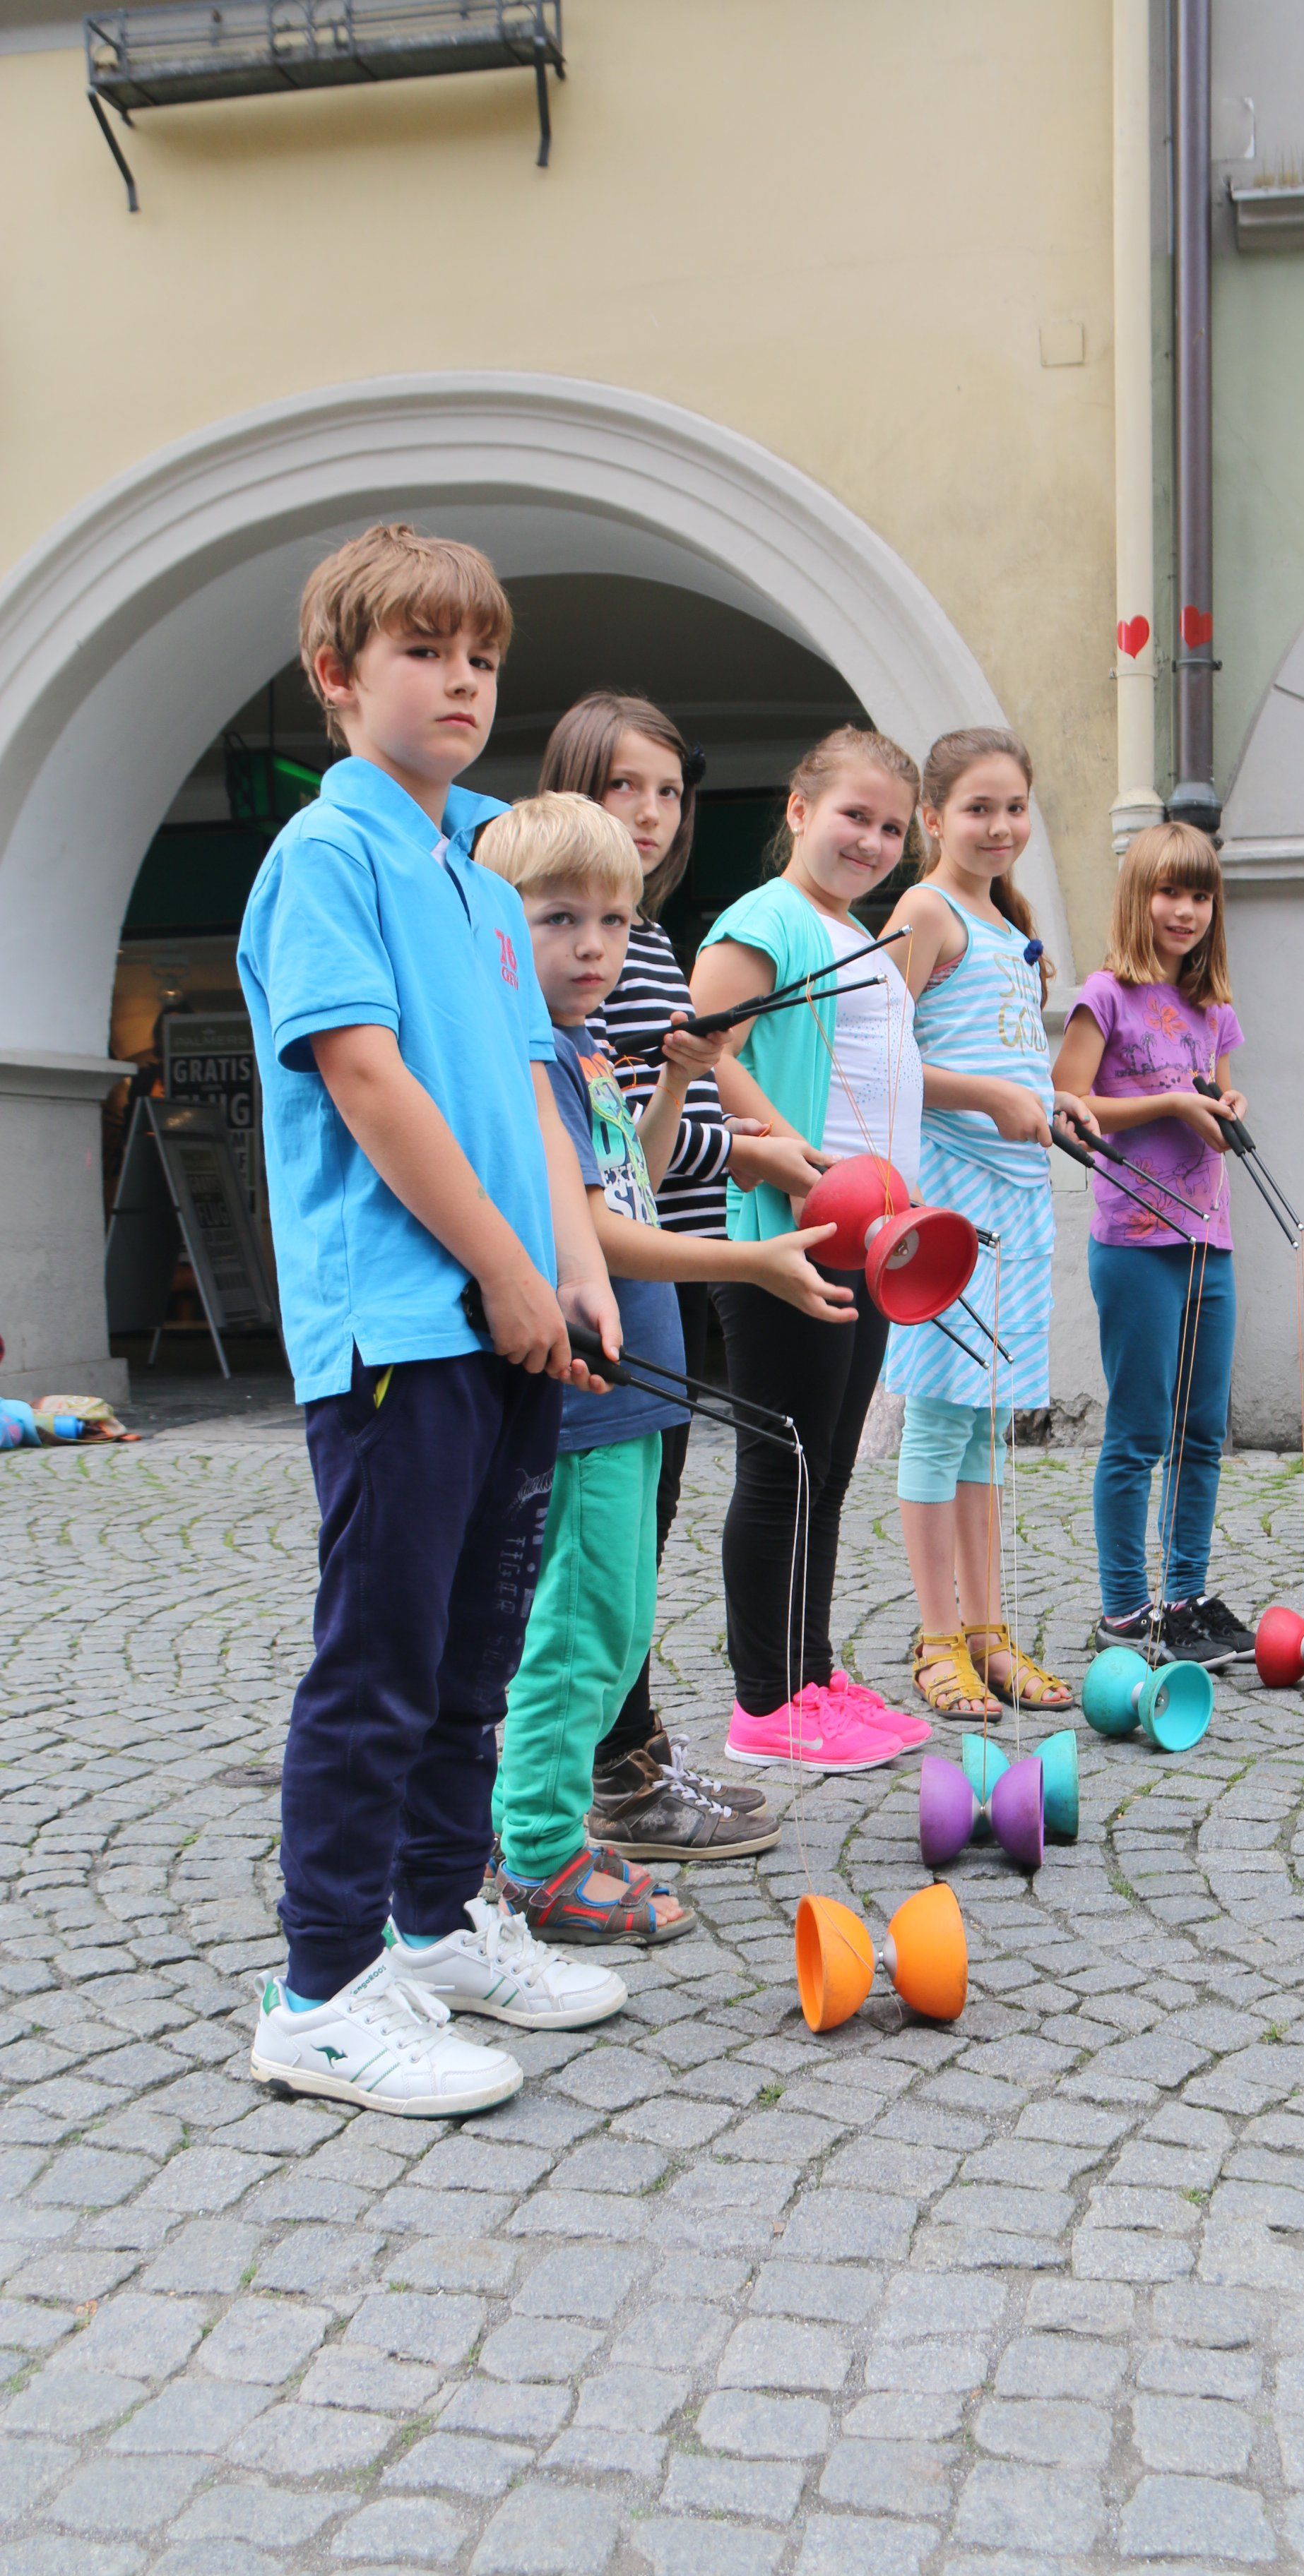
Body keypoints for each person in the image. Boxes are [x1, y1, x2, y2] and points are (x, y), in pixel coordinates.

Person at [237, 525, 629, 2118]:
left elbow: (532, 1084)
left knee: (475, 1654)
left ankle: (434, 1923)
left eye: (481, 656)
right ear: (338, 676)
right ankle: (321, 1991)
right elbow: (368, 1081)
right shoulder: (323, 857)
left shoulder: (478, 871)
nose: (462, 680)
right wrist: (505, 1271)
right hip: (402, 1328)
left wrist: (575, 1266)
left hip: (509, 1318)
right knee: (382, 1663)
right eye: (423, 651)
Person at [480, 792, 856, 1937]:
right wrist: (754, 1262)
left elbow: (632, 1184)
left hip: (637, 1391)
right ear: (498, 930)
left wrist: (682, 1077)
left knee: (617, 1626)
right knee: (580, 1632)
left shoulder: (585, 1053)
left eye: (613, 920)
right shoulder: (526, 1063)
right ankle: (536, 1855)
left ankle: (543, 1832)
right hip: (591, 1399)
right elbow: (593, 1237)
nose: (592, 946)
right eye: (559, 920)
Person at [535, 693, 823, 1857]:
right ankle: (597, 1785)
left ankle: (632, 1760)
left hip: (661, 1258)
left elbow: (638, 1136)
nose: (651, 813)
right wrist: (748, 1151)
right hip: (618, 1273)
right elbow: (591, 1162)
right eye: (624, 787)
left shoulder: (647, 942)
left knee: (634, 1548)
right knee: (599, 1565)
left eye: (668, 790)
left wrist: (694, 1098)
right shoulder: (560, 988)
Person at [688, 727, 935, 1770]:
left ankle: (810, 1674)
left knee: (824, 1469)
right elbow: (705, 1051)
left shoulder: (856, 933)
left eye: (891, 828)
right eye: (853, 817)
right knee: (784, 1464)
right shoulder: (766, 919)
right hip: (789, 1236)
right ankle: (765, 1704)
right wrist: (795, 1161)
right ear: (798, 810)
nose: (872, 842)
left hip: (869, 1236)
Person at [879, 727, 1096, 1717]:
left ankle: (988, 1634)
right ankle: (936, 1640)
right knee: (937, 1425)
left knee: (984, 1435)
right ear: (933, 818)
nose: (1000, 826)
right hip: (949, 1202)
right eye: (977, 808)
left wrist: (1053, 1101)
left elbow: (1005, 1062)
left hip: (1013, 1204)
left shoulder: (1007, 925)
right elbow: (880, 1059)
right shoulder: (924, 910)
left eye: (1014, 808)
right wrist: (993, 1099)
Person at [1052, 820, 1257, 1669]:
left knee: (1201, 1432)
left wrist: (1225, 1112)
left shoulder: (1214, 1009)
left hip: (1210, 1239)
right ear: (1137, 898)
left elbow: (1219, 1105)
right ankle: (1123, 1610)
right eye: (1168, 892)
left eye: (1199, 895)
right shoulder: (1105, 995)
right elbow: (1070, 1103)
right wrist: (1170, 1102)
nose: (1184, 910)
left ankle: (1184, 1600)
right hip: (1135, 1244)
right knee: (1138, 1433)